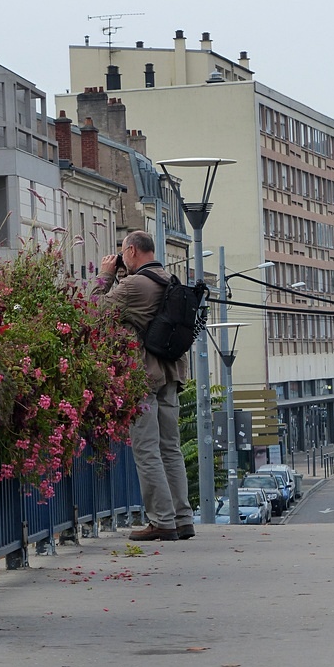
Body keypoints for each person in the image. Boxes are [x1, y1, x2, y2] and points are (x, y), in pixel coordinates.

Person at [95, 230, 195, 541]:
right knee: (170, 449)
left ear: (133, 251)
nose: (121, 258)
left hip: (144, 376)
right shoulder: (169, 279)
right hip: (171, 374)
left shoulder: (135, 285)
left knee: (147, 449)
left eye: (123, 253)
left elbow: (93, 312)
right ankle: (182, 519)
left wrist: (105, 275)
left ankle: (161, 521)